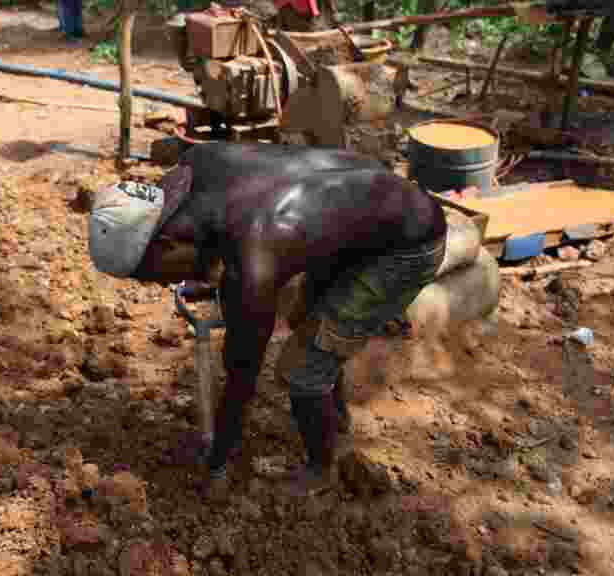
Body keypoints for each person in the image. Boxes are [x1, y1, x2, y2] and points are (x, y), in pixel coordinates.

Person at [88, 142, 447, 498]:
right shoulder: (194, 166)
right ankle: (335, 418)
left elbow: (243, 373)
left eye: (154, 275)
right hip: (363, 208)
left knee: (302, 369)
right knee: (309, 320)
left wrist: (220, 455)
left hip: (405, 247)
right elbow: (226, 237)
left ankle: (322, 467)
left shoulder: (254, 259)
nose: (166, 283)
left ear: (166, 244)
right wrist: (225, 281)